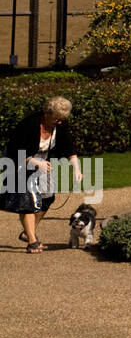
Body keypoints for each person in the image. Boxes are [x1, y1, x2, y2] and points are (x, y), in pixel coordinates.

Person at [2, 96, 81, 253]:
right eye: (57, 119)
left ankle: (27, 232)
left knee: (47, 197)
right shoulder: (29, 124)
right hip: (19, 161)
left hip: (43, 161)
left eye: (62, 119)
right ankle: (32, 241)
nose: (60, 122)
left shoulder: (60, 125)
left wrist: (77, 169)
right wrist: (33, 161)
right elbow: (15, 150)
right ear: (47, 114)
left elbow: (69, 147)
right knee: (27, 201)